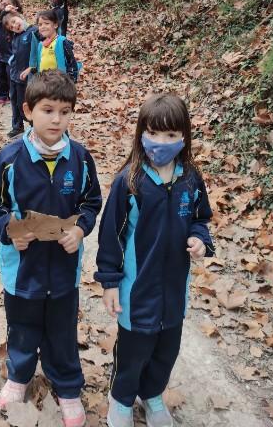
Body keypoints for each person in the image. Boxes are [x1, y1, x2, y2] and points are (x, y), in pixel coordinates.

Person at [0, 71, 102, 427]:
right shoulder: (10, 159)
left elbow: (92, 202)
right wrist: (9, 231)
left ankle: (67, 386)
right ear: (28, 110)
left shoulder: (80, 159)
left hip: (63, 271)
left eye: (65, 112)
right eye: (48, 110)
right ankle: (19, 376)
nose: (56, 119)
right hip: (22, 271)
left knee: (61, 331)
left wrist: (80, 229)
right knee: (22, 327)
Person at [95, 94, 214, 427]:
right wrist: (109, 282)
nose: (161, 143)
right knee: (133, 352)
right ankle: (121, 400)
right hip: (137, 291)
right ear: (141, 133)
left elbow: (200, 218)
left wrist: (200, 240)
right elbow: (111, 236)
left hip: (174, 290)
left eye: (171, 134)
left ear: (184, 137)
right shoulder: (129, 182)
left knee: (166, 350)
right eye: (153, 133)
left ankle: (152, 395)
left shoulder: (190, 179)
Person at [2, 10, 39, 138]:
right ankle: (17, 127)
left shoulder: (33, 31)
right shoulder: (15, 36)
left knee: (25, 103)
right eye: (11, 27)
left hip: (27, 77)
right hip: (14, 75)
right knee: (15, 102)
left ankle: (35, 127)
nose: (14, 26)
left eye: (14, 21)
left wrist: (32, 68)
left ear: (19, 17)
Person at [21, 10, 79, 83]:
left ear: (55, 25)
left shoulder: (61, 41)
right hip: (45, 84)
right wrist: (31, 69)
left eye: (47, 23)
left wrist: (70, 81)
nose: (43, 27)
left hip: (59, 84)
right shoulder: (41, 45)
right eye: (40, 25)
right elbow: (40, 66)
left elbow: (71, 63)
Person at [0, 0, 22, 104]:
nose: (6, 6)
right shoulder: (1, 17)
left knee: (9, 75)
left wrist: (14, 12)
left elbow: (23, 24)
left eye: (9, 4)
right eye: (4, 3)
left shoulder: (17, 17)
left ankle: (12, 95)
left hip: (11, 52)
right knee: (0, 73)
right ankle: (2, 95)